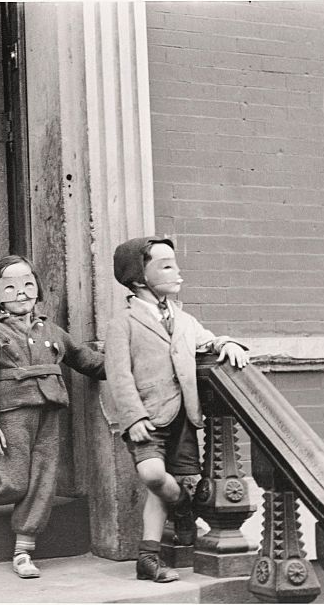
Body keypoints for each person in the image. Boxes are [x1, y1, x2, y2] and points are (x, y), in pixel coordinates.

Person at [0, 255, 106, 579]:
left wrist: (124, 366)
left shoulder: (51, 330)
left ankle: (23, 551)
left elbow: (84, 359)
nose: (21, 292)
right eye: (10, 287)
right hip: (12, 415)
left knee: (42, 481)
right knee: (13, 482)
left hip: (50, 412)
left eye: (28, 284)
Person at [104, 236, 249, 583]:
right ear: (140, 279)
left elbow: (205, 340)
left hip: (183, 416)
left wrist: (225, 342)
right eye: (166, 265)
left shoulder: (183, 319)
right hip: (147, 418)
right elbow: (118, 374)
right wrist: (133, 417)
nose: (177, 271)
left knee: (166, 484)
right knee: (154, 476)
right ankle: (183, 506)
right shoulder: (122, 322)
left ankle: (148, 559)